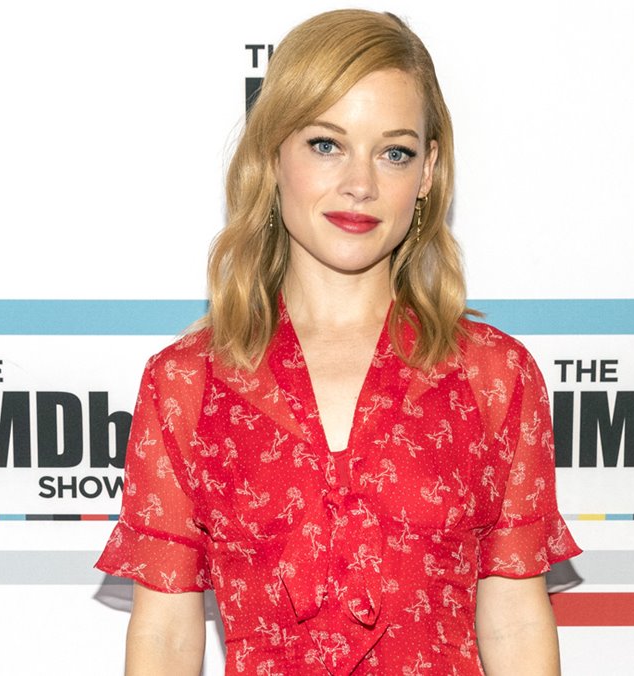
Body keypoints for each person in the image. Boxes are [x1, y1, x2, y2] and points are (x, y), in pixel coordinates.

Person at [97, 9, 581, 675]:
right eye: (327, 144)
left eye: (394, 152)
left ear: (428, 173)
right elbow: (167, 635)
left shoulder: (494, 375)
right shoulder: (188, 382)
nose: (361, 184)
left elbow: (516, 621)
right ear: (272, 154)